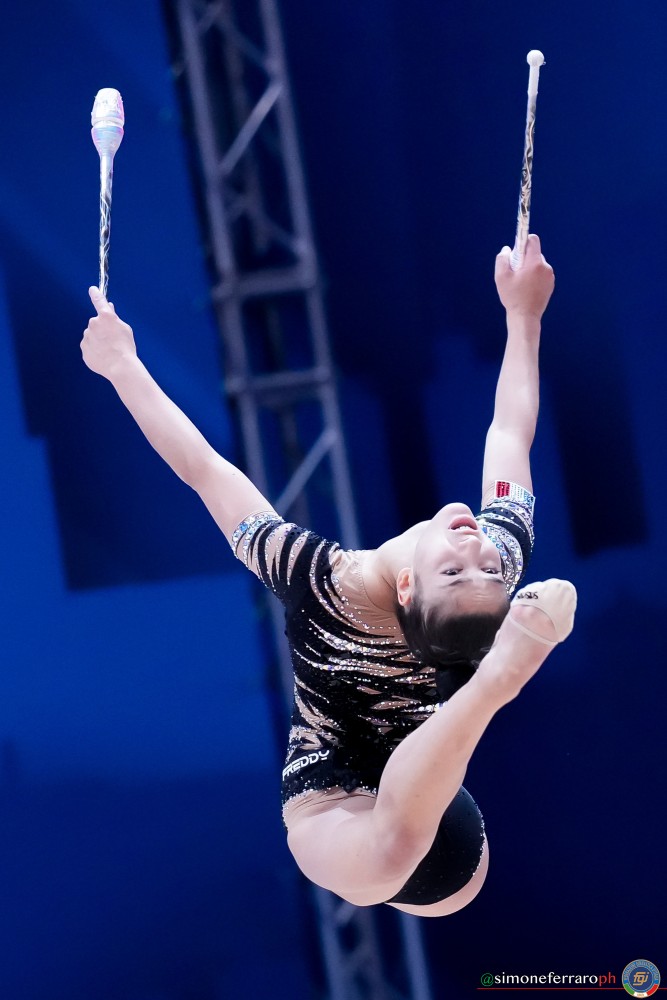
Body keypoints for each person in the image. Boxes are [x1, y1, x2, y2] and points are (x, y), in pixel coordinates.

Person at [81, 233, 576, 918]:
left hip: (337, 803)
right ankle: (495, 684)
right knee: (398, 836)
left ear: (410, 589)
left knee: (388, 850)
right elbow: (509, 433)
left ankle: (497, 683)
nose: (475, 547)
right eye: (486, 566)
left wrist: (122, 368)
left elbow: (203, 469)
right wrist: (524, 316)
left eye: (455, 568)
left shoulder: (317, 580)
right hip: (432, 799)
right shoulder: (494, 571)